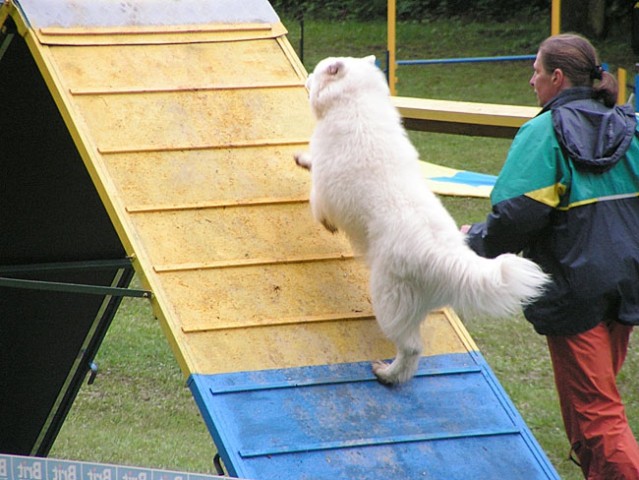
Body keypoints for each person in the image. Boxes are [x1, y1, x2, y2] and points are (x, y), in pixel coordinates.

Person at [463, 33, 639, 479]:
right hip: (626, 285)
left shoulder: (543, 132)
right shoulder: (630, 125)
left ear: (556, 78)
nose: (531, 80)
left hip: (574, 288)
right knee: (590, 404)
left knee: (598, 411)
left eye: (536, 71)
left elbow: (516, 216)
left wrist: (471, 242)